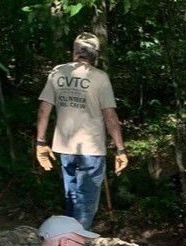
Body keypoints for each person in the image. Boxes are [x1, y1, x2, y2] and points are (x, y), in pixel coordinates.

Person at [35, 32, 128, 230]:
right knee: (86, 203)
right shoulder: (100, 77)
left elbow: (44, 109)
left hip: (65, 147)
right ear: (95, 55)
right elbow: (110, 116)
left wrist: (41, 142)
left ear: (75, 52)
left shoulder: (58, 72)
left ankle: (67, 242)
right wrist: (120, 149)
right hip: (91, 149)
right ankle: (75, 245)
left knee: (73, 197)